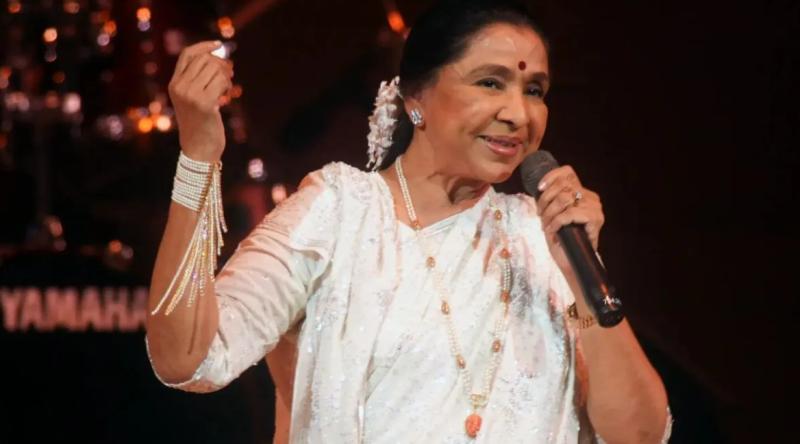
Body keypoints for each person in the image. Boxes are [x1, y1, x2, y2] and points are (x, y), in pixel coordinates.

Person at [145, 1, 672, 442]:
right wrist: (198, 157)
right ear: (416, 101)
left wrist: (580, 276)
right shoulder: (340, 213)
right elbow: (187, 358)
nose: (519, 113)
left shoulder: (545, 238)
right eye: (491, 83)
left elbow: (641, 435)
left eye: (534, 90)